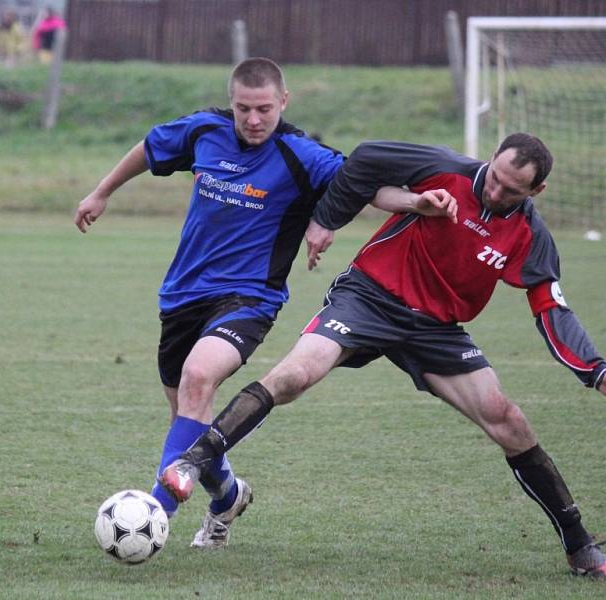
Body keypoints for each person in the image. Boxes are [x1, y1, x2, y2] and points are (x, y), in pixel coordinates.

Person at [160, 134, 606, 578]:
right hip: (370, 297)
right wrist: (329, 218)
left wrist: (596, 370)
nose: (494, 192)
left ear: (536, 191)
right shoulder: (444, 167)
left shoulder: (529, 234)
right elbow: (368, 157)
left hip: (435, 329)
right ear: (490, 160)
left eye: (511, 190)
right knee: (294, 375)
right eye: (494, 178)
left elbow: (552, 309)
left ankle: (579, 545)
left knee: (508, 419)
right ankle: (191, 463)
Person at [76, 57, 457, 549]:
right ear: (230, 103)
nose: (253, 120)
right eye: (243, 110)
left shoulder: (300, 154)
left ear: (283, 102)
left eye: (263, 110)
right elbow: (149, 149)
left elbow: (360, 184)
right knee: (187, 419)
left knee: (198, 378)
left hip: (250, 297)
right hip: (182, 294)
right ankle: (229, 496)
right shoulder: (203, 131)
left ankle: (155, 510)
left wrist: (415, 202)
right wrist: (100, 191)